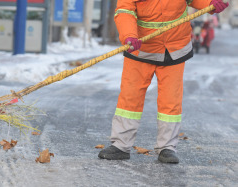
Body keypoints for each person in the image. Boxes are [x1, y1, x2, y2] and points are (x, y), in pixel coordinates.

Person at [98, 0, 229, 163]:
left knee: (171, 100)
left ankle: (167, 147)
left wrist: (209, 3)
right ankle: (120, 146)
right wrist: (129, 35)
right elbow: (125, 10)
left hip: (175, 47)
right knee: (130, 98)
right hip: (140, 47)